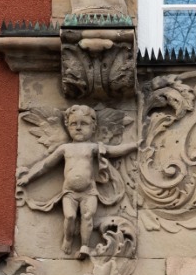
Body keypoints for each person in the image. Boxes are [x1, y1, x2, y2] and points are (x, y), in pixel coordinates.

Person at [17, 104, 140, 258]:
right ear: (67, 126)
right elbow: (46, 165)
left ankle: (84, 246)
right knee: (70, 216)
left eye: (84, 124)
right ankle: (68, 239)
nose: (78, 127)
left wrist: (134, 145)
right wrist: (28, 177)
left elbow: (113, 151)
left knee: (87, 217)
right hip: (69, 192)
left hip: (89, 191)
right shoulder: (65, 148)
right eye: (74, 124)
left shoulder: (92, 147)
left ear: (93, 128)